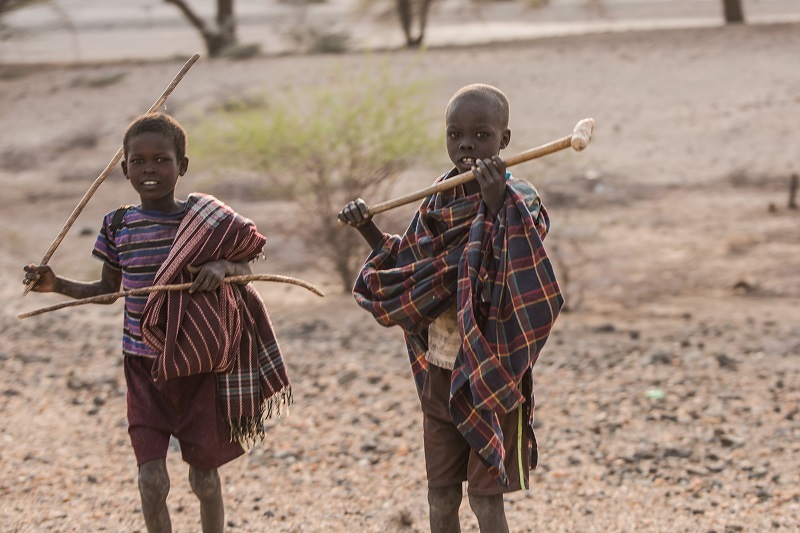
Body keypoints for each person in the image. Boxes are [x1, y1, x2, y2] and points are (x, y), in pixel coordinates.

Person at [23, 112, 291, 533]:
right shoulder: (117, 225)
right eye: (139, 161)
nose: (149, 169)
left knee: (204, 480)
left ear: (182, 166)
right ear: (124, 168)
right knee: (151, 480)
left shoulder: (203, 222)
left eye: (161, 160)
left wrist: (222, 266)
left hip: (197, 366)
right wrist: (56, 285)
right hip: (143, 370)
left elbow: (247, 268)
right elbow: (108, 291)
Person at [338, 84, 564, 532]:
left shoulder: (520, 198)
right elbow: (410, 267)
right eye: (455, 134)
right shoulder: (438, 199)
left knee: (485, 502)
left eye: (481, 135)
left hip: (491, 371)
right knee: (440, 498)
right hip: (440, 369)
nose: (466, 145)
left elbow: (520, 266)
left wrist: (496, 204)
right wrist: (367, 228)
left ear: (504, 139)